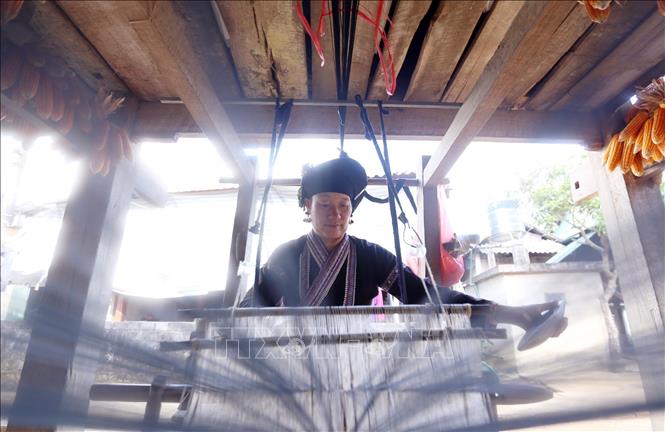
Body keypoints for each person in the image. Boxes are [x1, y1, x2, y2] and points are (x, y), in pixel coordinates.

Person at [242, 156, 567, 338]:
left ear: (352, 211)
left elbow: (425, 294)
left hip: (357, 357)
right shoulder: (285, 256)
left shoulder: (371, 256)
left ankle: (523, 316)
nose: (336, 214)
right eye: (325, 204)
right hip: (298, 358)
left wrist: (505, 312)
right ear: (308, 207)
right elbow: (249, 310)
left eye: (343, 204)